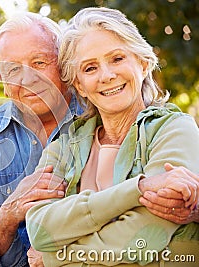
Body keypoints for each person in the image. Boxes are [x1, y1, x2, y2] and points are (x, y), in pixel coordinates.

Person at [26, 7, 199, 267]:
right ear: (80, 87)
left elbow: (145, 238)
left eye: (117, 58)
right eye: (90, 68)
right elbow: (40, 230)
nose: (107, 75)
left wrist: (57, 257)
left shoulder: (175, 130)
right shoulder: (65, 146)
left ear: (143, 63)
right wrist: (138, 189)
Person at [0, 12, 82, 266]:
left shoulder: (97, 115)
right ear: (2, 80)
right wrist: (10, 212)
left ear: (64, 64)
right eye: (13, 69)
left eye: (40, 62)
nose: (28, 79)